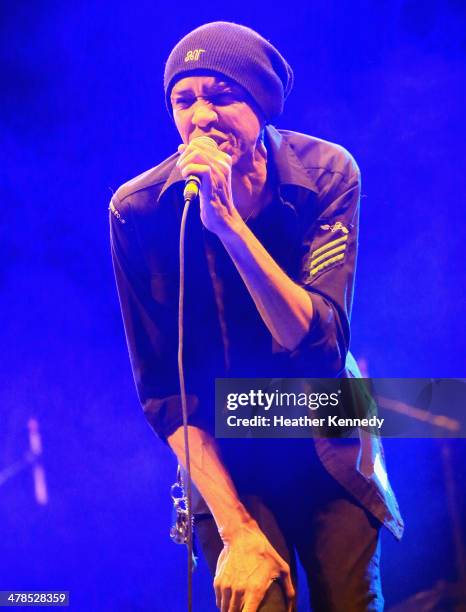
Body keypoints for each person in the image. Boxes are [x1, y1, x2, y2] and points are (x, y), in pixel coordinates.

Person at [110, 21, 403, 612]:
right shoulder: (138, 211)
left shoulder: (326, 173)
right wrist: (237, 531)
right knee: (256, 597)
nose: (201, 117)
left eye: (221, 95)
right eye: (183, 100)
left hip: (328, 423)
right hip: (225, 446)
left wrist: (230, 227)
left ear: (263, 104)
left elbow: (318, 344)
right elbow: (165, 392)